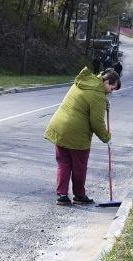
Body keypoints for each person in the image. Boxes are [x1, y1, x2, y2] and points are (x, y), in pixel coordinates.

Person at [43, 67, 119, 205]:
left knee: (63, 163)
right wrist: (107, 138)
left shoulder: (82, 82)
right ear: (106, 81)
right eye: (111, 88)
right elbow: (96, 123)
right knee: (79, 166)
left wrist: (103, 103)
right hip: (77, 134)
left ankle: (62, 196)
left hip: (60, 128)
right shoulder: (98, 95)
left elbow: (84, 102)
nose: (110, 92)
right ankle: (79, 195)